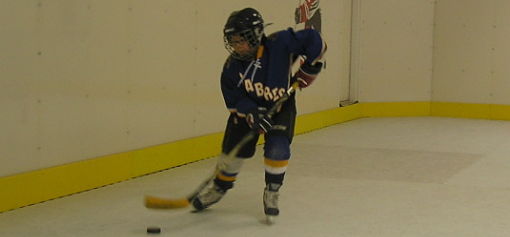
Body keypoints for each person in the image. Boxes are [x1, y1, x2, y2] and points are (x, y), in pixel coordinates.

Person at [192, 7, 326, 220]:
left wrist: (310, 66)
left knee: (278, 148)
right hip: (250, 111)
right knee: (232, 152)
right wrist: (252, 112)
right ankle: (219, 187)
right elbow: (234, 101)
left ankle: (272, 191)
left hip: (281, 106)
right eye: (233, 41)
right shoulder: (231, 67)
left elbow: (313, 39)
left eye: (241, 40)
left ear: (255, 36)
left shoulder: (279, 44)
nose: (236, 46)